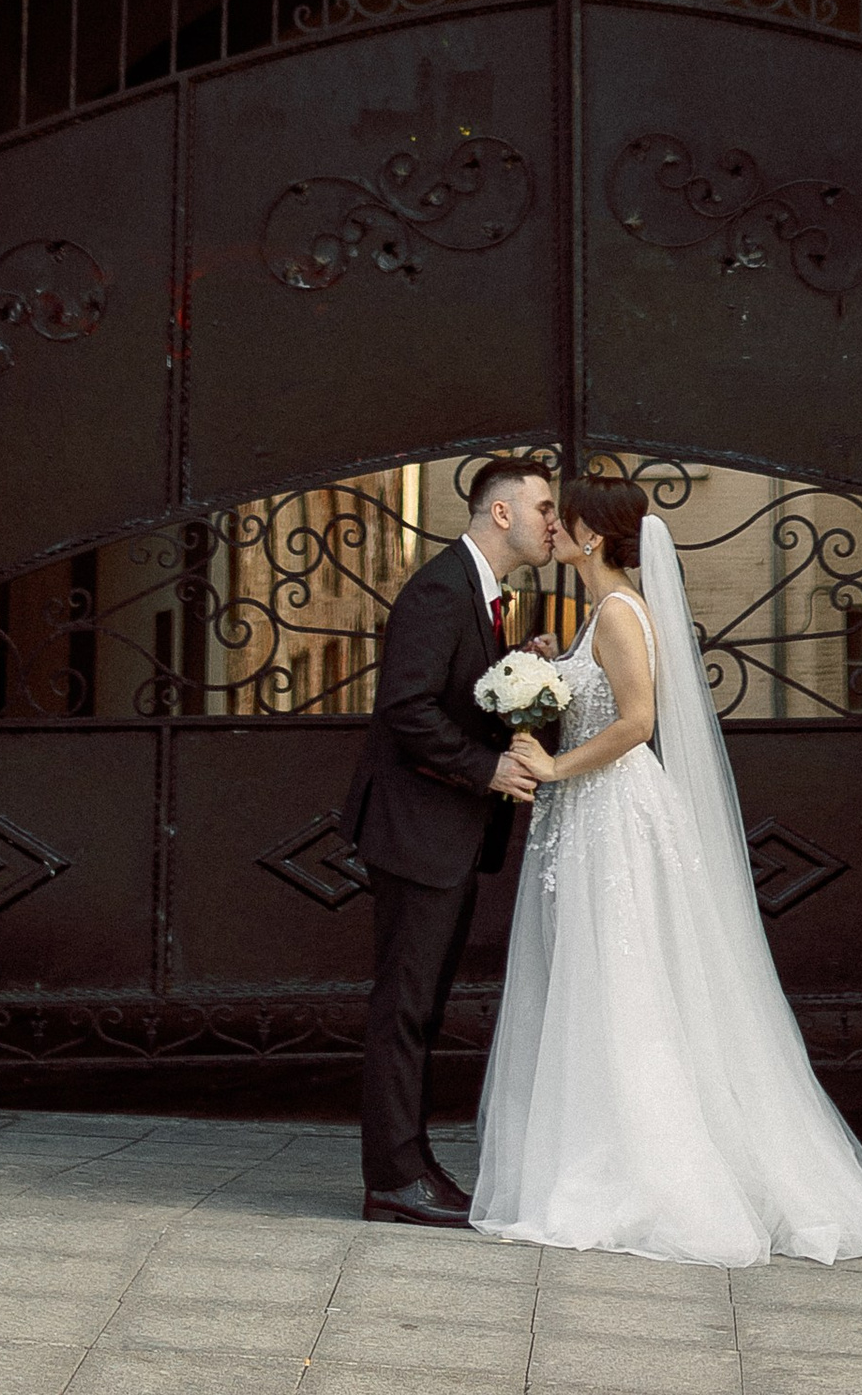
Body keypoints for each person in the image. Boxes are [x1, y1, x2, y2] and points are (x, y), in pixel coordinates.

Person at [469, 473, 862, 1269]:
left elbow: (639, 722)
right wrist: (550, 669)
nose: (552, 529)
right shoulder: (597, 615)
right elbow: (606, 695)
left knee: (623, 979)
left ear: (593, 536)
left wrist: (558, 766)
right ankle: (608, 1151)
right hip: (595, 814)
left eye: (560, 518)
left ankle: (640, 1174)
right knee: (606, 977)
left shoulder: (615, 610)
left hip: (613, 813)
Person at [341, 453, 558, 1228]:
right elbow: (406, 708)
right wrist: (488, 768)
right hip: (416, 831)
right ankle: (394, 1179)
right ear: (500, 513)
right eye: (542, 508)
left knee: (421, 1007)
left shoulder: (482, 594)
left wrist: (518, 672)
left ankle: (410, 1163)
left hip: (445, 835)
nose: (552, 522)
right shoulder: (439, 587)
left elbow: (455, 693)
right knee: (404, 1007)